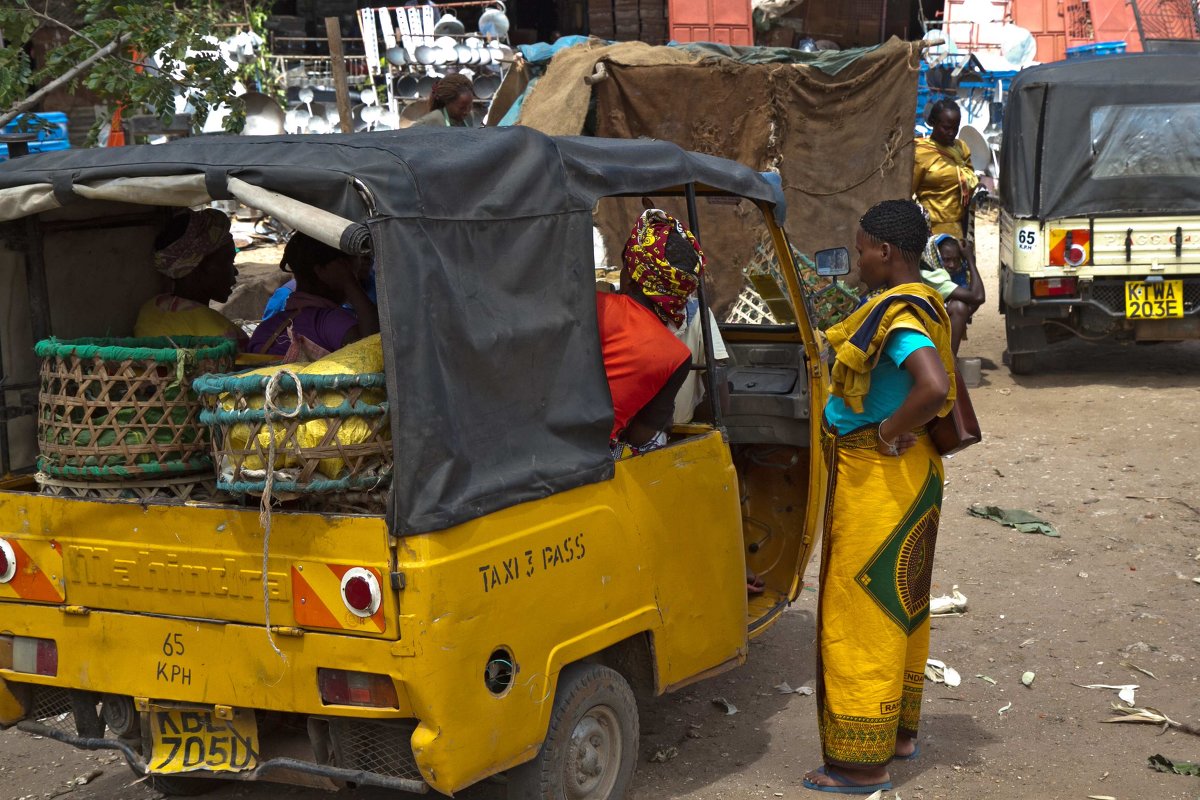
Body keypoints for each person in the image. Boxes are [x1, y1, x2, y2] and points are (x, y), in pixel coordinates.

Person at [804, 199, 955, 794]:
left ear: (886, 252)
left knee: (862, 611)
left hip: (880, 480)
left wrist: (889, 431)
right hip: (915, 477)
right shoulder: (927, 299)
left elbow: (932, 383)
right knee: (900, 602)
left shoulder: (900, 316)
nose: (858, 256)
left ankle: (860, 765)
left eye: (861, 246)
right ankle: (898, 734)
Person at [619, 208, 728, 424]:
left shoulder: (612, 315)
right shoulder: (699, 314)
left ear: (633, 279)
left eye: (625, 265)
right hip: (678, 439)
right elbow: (720, 401)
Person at [247, 233, 379, 357]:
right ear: (333, 271)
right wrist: (349, 283)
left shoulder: (264, 329)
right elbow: (374, 348)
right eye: (353, 273)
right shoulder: (331, 322)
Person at [595, 289, 692, 453]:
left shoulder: (596, 302)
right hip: (593, 455)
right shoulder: (680, 355)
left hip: (540, 435)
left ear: (633, 275)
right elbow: (641, 437)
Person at [133, 208, 246, 346]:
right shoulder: (223, 335)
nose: (235, 271)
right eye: (228, 261)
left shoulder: (150, 311)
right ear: (196, 267)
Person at [912, 99, 979, 240]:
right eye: (946, 128)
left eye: (955, 128)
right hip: (931, 230)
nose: (951, 133)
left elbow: (970, 179)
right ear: (933, 123)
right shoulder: (921, 154)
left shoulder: (961, 149)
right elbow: (908, 192)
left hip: (959, 228)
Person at [920, 233, 984, 354]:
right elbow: (978, 296)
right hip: (922, 327)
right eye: (946, 260)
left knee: (963, 305)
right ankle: (949, 361)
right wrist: (970, 260)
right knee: (959, 307)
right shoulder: (932, 276)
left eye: (956, 260)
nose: (953, 265)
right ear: (935, 256)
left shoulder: (948, 275)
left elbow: (974, 298)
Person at [413, 74, 481, 128]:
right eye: (461, 108)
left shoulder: (469, 117)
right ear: (447, 102)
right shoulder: (430, 121)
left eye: (469, 106)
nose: (466, 112)